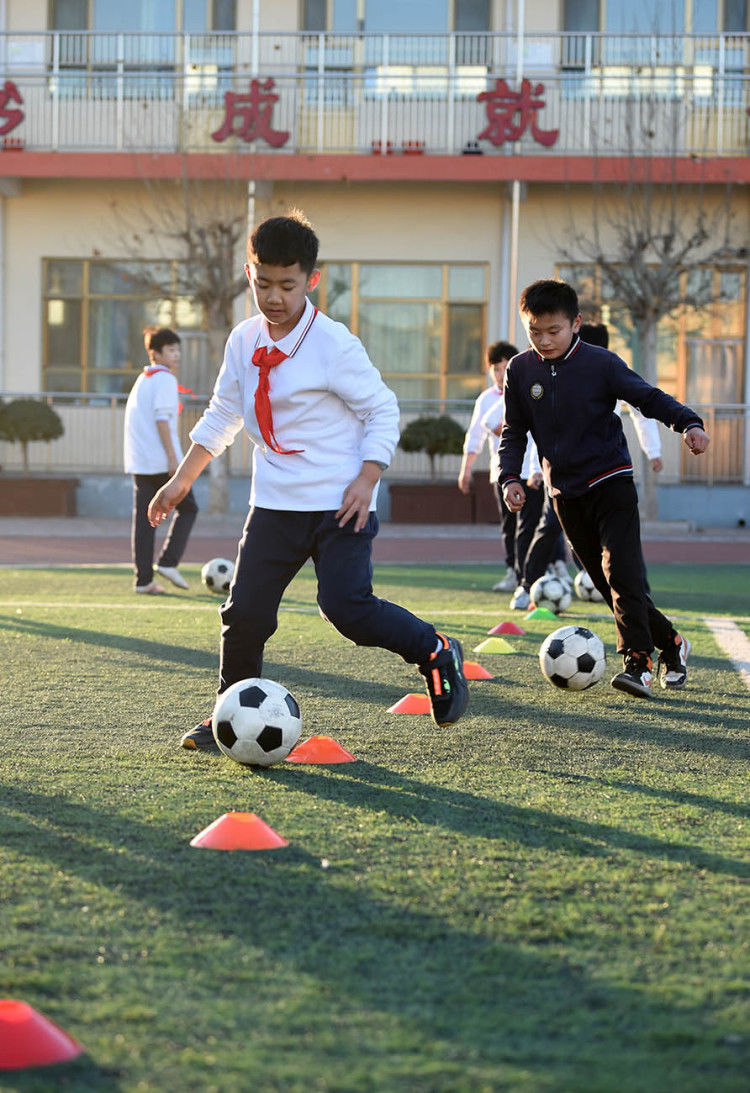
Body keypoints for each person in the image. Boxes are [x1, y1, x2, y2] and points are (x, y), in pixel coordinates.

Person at [148, 212, 469, 748]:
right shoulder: (241, 340)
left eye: (287, 285)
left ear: (311, 281)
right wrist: (182, 479)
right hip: (274, 503)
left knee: (348, 611)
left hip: (340, 502)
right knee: (245, 613)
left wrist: (368, 478)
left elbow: (382, 410)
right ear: (249, 272)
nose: (274, 296)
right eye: (263, 282)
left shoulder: (333, 345)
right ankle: (228, 714)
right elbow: (224, 412)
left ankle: (434, 651)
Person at [499, 279, 710, 698]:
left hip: (611, 481)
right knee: (602, 578)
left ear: (575, 323)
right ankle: (672, 643)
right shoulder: (520, 370)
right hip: (565, 492)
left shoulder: (601, 363)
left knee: (622, 572)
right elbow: (514, 431)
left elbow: (646, 397)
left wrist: (688, 422)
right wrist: (510, 478)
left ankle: (639, 663)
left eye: (553, 331)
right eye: (534, 332)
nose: (544, 340)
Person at [515, 320, 665, 600]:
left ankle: (639, 592)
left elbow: (641, 408)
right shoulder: (553, 374)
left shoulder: (607, 368)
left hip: (606, 472)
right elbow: (538, 432)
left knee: (621, 538)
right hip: (563, 478)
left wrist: (653, 451)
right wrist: (535, 470)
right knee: (550, 528)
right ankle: (527, 585)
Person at [123, 326, 198, 594]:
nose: (176, 355)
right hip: (161, 462)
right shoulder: (165, 379)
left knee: (144, 521)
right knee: (189, 508)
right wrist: (173, 459)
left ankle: (143, 580)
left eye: (178, 349)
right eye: (171, 350)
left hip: (140, 462)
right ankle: (168, 562)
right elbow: (162, 420)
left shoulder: (143, 378)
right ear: (155, 353)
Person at [457, 341, 519, 592]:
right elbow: (475, 435)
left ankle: (550, 568)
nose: (501, 374)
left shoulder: (527, 390)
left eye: (506, 368)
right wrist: (466, 469)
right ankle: (513, 572)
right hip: (503, 471)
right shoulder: (486, 400)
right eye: (496, 368)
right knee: (510, 525)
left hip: (534, 470)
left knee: (538, 525)